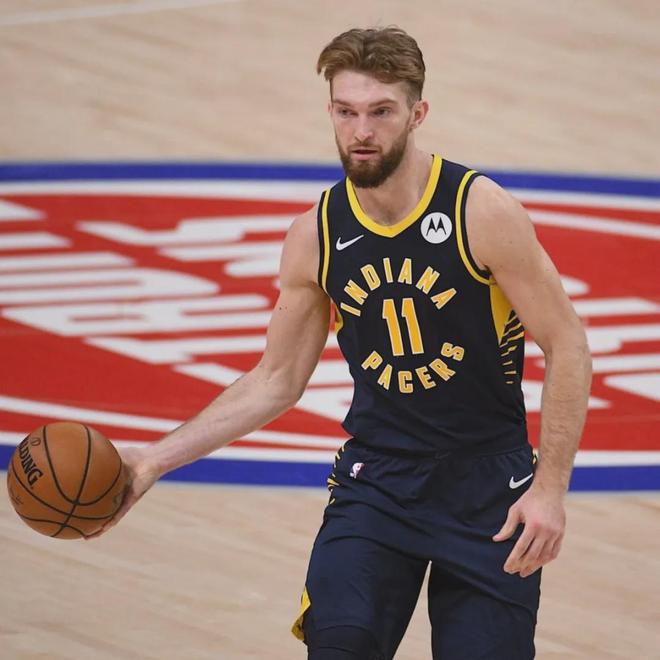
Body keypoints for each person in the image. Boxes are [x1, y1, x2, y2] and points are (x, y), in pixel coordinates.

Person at [97, 27, 592, 660]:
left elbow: (567, 344)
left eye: (381, 112)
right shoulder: (317, 234)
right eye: (346, 111)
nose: (361, 131)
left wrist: (549, 490)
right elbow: (276, 379)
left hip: (489, 488)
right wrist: (151, 461)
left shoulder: (480, 212)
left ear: (417, 113)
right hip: (378, 482)